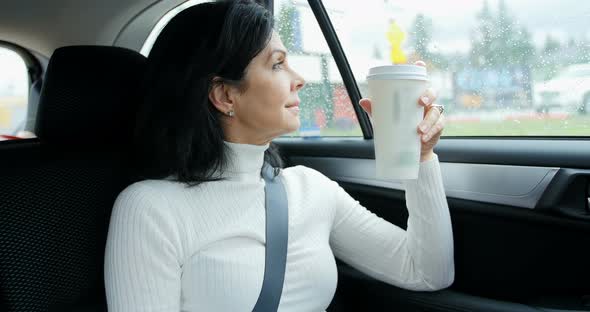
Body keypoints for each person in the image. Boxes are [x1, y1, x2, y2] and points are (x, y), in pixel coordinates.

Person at [104, 1, 454, 311]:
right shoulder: (149, 210)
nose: (299, 79)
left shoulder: (312, 190)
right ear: (225, 95)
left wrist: (420, 157)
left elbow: (426, 272)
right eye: (277, 64)